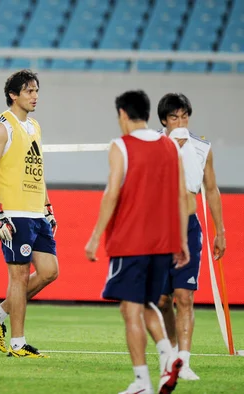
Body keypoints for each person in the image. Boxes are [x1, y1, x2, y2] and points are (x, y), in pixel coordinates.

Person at [84, 90, 190, 394]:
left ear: (122, 114)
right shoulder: (170, 146)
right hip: (163, 242)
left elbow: (112, 194)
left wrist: (94, 238)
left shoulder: (120, 146)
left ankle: (142, 382)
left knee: (130, 311)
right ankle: (169, 358)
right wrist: (181, 239)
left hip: (130, 242)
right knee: (145, 304)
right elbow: (181, 194)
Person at [0, 69, 59, 358]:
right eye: (28, 91)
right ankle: (17, 343)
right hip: (13, 213)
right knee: (20, 278)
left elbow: (37, 170)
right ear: (13, 94)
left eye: (36, 91)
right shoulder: (2, 127)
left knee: (50, 272)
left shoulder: (34, 126)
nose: (34, 96)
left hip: (36, 212)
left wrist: (48, 207)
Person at [151, 93, 226, 381]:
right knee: (160, 299)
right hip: (158, 229)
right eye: (174, 118)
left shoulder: (201, 147)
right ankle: (168, 354)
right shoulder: (152, 145)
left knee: (185, 296)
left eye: (184, 116)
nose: (180, 122)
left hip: (190, 227)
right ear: (163, 121)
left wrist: (221, 230)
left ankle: (183, 360)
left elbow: (211, 189)